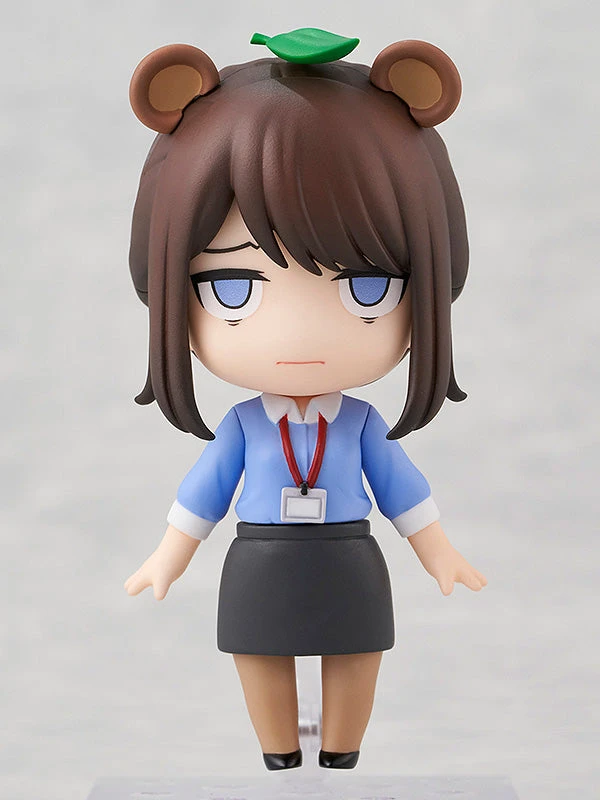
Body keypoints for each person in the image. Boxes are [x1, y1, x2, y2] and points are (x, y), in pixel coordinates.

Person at [123, 29, 487, 771]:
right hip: (258, 558)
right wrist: (168, 556)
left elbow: (402, 491)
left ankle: (343, 750)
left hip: (350, 554)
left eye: (368, 287)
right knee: (259, 651)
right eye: (232, 287)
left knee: (357, 650)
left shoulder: (361, 425)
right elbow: (202, 495)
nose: (296, 336)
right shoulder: (242, 428)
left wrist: (439, 552)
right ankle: (279, 751)